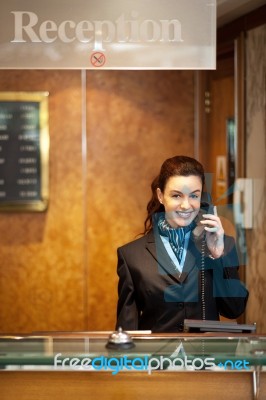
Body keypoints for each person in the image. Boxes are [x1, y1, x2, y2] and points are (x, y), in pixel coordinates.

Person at [116, 155, 249, 333]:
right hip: (157, 359)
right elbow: (126, 330)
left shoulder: (223, 245)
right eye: (177, 195)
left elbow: (235, 309)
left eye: (194, 195)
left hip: (204, 359)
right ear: (160, 196)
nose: (186, 205)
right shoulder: (131, 255)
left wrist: (218, 257)